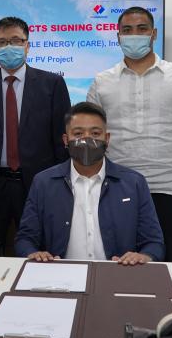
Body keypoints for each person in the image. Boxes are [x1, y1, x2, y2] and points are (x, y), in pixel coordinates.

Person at [87, 6, 172, 262]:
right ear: (118, 36)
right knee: (116, 265)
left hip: (168, 190)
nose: (134, 35)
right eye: (127, 30)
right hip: (115, 188)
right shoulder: (101, 81)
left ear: (153, 34)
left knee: (167, 265)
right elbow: (92, 137)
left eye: (142, 29)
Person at [0, 16, 71, 255]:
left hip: (37, 182)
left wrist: (60, 184)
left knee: (41, 248)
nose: (8, 47)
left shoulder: (52, 84)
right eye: (1, 42)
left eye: (15, 40)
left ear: (27, 45)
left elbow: (61, 141)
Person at [15, 102, 164, 264]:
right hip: (59, 274)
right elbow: (25, 239)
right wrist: (34, 254)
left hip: (119, 272)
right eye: (78, 133)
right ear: (66, 140)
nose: (86, 139)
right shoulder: (43, 183)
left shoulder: (134, 183)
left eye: (95, 133)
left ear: (107, 139)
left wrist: (144, 256)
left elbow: (154, 243)